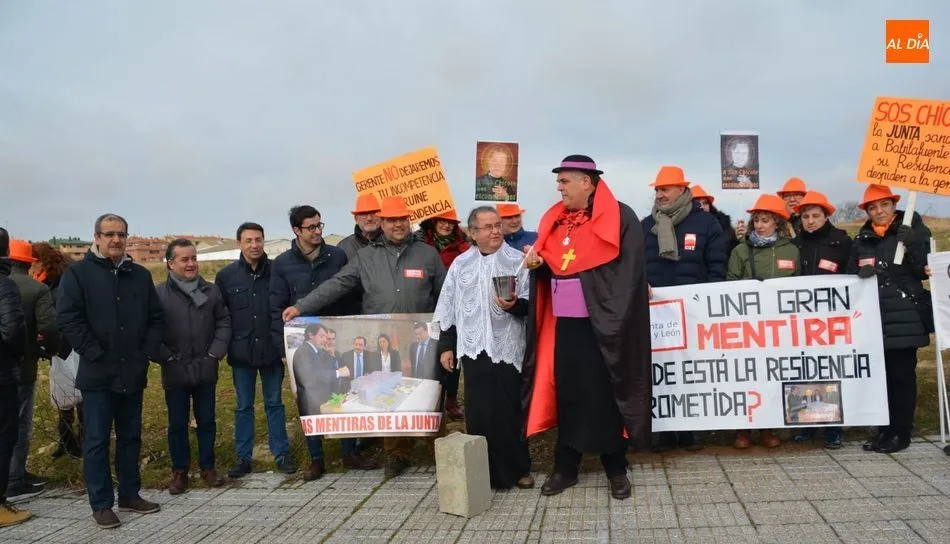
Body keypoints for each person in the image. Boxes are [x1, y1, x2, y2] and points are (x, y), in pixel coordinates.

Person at [283, 195, 447, 477]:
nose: (398, 225)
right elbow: (336, 284)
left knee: (430, 392)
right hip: (386, 339)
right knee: (392, 392)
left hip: (423, 338)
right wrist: (301, 306)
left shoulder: (427, 254)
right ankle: (397, 454)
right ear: (381, 222)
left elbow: (446, 292)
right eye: (392, 220)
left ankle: (442, 451)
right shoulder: (366, 256)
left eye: (402, 219)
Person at [522, 155, 652, 500]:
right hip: (566, 326)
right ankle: (566, 467)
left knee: (606, 394)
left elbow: (628, 273)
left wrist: (592, 283)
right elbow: (556, 262)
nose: (559, 187)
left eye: (565, 181)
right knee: (569, 392)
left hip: (606, 325)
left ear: (587, 182)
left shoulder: (621, 217)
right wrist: (539, 264)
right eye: (559, 181)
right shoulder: (556, 219)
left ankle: (616, 468)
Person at [57, 213, 163, 529]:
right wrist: (93, 352)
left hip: (132, 370)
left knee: (131, 437)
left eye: (121, 234)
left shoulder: (140, 276)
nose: (116, 239)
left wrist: (145, 351)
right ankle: (101, 504)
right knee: (96, 441)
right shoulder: (78, 275)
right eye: (110, 234)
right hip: (97, 373)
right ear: (97, 237)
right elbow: (68, 318)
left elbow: (155, 318)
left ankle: (130, 494)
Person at [270, 205, 377, 481]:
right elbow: (276, 307)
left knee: (341, 391)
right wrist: (283, 348)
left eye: (320, 225)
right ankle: (316, 457)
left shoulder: (337, 255)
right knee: (309, 396)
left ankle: (349, 451)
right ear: (296, 230)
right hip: (302, 342)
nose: (317, 231)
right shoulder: (282, 264)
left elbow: (349, 291)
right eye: (311, 227)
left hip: (334, 336)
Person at [434, 205, 534, 490]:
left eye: (497, 225)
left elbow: (532, 305)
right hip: (473, 347)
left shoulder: (517, 261)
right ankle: (482, 473)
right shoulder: (460, 264)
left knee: (509, 410)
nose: (495, 231)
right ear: (472, 233)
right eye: (488, 227)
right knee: (479, 413)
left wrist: (515, 305)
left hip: (507, 346)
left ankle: (519, 469)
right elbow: (448, 310)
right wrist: (446, 346)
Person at [640, 168, 726, 453]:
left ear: (682, 190)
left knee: (691, 370)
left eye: (665, 189)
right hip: (657, 315)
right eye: (657, 190)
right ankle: (665, 430)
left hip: (694, 314)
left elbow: (717, 266)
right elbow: (636, 266)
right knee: (662, 371)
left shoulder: (706, 223)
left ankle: (689, 430)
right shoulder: (645, 226)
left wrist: (709, 300)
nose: (660, 195)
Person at [849, 184, 932, 454]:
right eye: (872, 207)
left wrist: (914, 245)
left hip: (904, 317)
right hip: (874, 319)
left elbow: (923, 271)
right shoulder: (862, 239)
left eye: (883, 205)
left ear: (893, 205)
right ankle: (884, 431)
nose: (878, 211)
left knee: (901, 376)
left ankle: (902, 432)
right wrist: (858, 273)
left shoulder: (912, 230)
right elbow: (851, 271)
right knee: (880, 378)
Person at [215, 222, 295, 478]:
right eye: (248, 240)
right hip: (241, 353)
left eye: (258, 240)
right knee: (243, 407)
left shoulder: (277, 272)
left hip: (271, 351)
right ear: (239, 243)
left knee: (274, 403)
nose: (254, 245)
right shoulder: (226, 276)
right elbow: (222, 315)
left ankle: (281, 454)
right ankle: (243, 457)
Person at [156, 239, 231, 494]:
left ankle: (208, 468)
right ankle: (180, 472)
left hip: (205, 366)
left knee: (207, 420)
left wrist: (214, 354)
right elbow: (150, 331)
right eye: (184, 259)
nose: (191, 264)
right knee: (177, 423)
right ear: (170, 263)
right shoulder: (158, 294)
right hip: (174, 368)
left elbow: (223, 323)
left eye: (193, 258)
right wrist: (165, 357)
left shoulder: (211, 292)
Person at [727, 194, 799, 449]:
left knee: (772, 377)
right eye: (756, 220)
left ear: (777, 223)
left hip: (778, 329)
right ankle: (743, 429)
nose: (759, 225)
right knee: (746, 377)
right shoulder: (740, 251)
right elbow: (729, 285)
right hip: (747, 327)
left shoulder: (792, 251)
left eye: (765, 220)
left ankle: (768, 428)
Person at [789, 191, 851, 448]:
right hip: (802, 318)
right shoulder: (794, 245)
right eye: (805, 216)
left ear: (826, 216)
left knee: (831, 370)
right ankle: (807, 422)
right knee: (804, 369)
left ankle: (833, 427)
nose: (811, 221)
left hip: (831, 319)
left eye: (816, 216)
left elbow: (852, 274)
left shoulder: (841, 242)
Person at [4, 240, 57, 502]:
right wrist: (48, 349)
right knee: (20, 423)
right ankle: (15, 479)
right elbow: (48, 326)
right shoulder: (37, 289)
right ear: (28, 262)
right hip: (22, 367)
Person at [30, 242, 83, 460]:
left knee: (79, 394)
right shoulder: (50, 279)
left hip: (71, 344)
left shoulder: (62, 280)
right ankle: (68, 441)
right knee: (64, 396)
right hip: (59, 346)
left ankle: (79, 442)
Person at [415, 210, 470, 419]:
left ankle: (452, 399)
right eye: (442, 221)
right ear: (433, 221)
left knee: (452, 354)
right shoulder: (420, 243)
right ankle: (430, 401)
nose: (447, 226)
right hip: (426, 306)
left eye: (451, 223)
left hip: (452, 307)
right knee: (428, 355)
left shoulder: (462, 246)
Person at [0, 228, 29, 527]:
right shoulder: (4, 285)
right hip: (2, 375)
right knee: (4, 435)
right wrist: (19, 353)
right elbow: (12, 331)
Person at [691, 185, 739, 255]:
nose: (702, 207)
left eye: (705, 203)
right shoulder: (682, 226)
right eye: (697, 203)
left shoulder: (724, 227)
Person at [337, 194, 383, 260]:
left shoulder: (394, 243)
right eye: (364, 213)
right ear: (356, 219)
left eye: (373, 213)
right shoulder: (343, 248)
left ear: (380, 216)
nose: (369, 218)